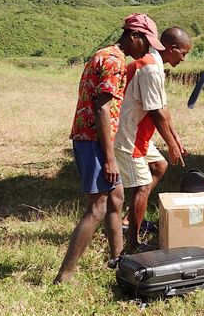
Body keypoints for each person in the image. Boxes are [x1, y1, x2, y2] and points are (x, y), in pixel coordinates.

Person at [55, 15, 152, 283]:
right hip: (93, 140)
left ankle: (119, 261)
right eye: (145, 42)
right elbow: (101, 108)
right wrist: (109, 158)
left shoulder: (104, 54)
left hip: (93, 138)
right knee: (97, 207)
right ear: (134, 36)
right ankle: (65, 275)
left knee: (116, 198)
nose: (146, 50)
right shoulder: (114, 61)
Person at [114, 18, 189, 253]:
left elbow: (163, 109)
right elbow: (156, 113)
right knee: (143, 185)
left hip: (139, 135)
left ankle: (129, 219)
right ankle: (132, 245)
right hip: (128, 135)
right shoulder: (150, 69)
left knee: (159, 166)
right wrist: (170, 144)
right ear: (172, 49)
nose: (184, 59)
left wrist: (175, 139)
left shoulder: (153, 66)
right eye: (183, 53)